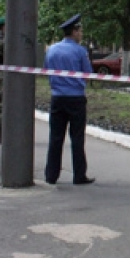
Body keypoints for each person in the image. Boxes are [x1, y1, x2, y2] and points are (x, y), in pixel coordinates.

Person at [44, 14, 95, 185]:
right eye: (80, 31)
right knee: (77, 138)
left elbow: (47, 71)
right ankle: (79, 175)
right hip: (76, 99)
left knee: (55, 138)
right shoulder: (80, 51)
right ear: (74, 32)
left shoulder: (51, 49)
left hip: (57, 98)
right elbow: (87, 74)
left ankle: (51, 175)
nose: (81, 34)